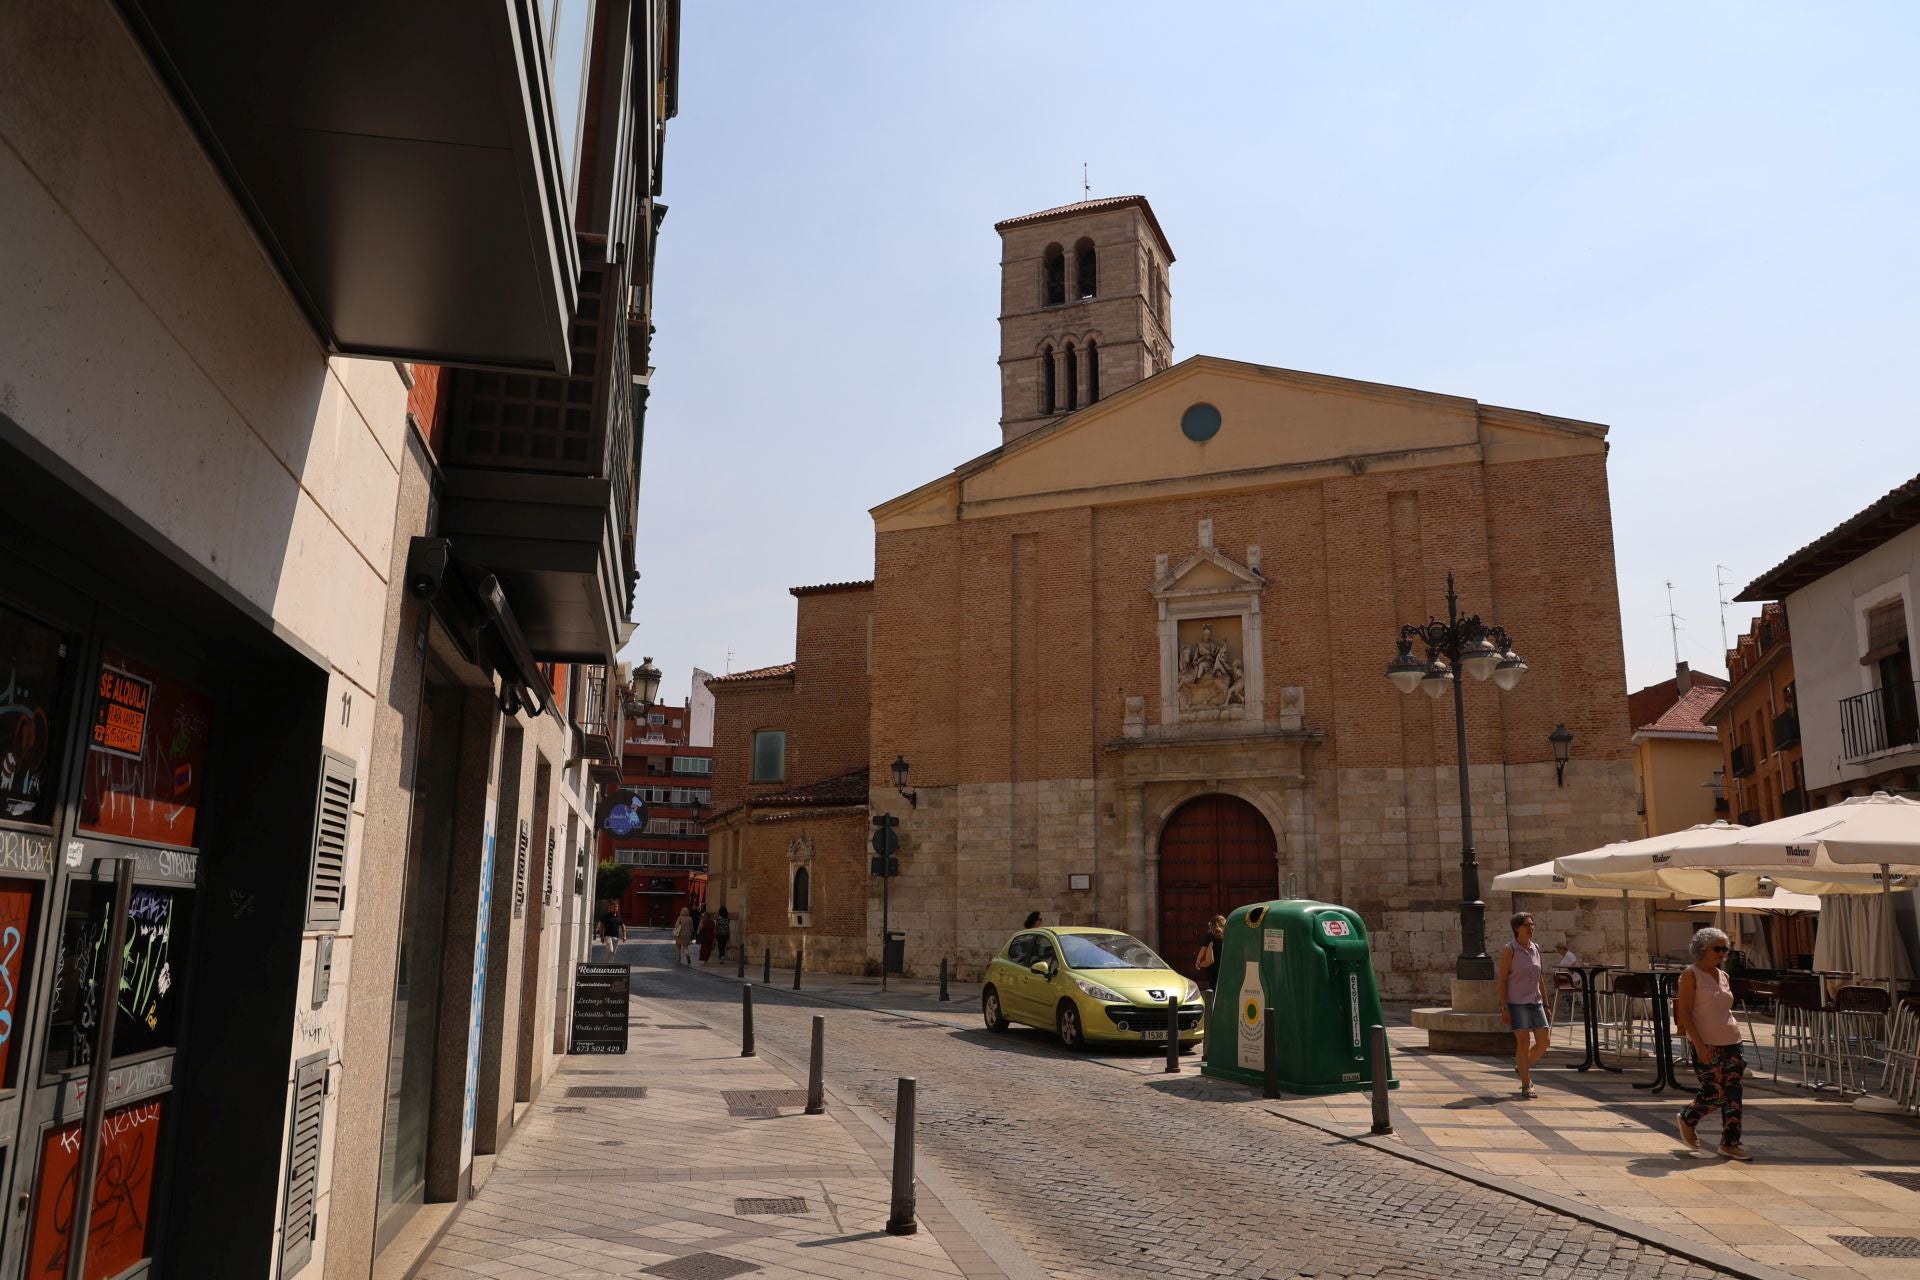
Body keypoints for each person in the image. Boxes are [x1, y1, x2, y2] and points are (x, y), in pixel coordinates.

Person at [1675, 926, 1751, 1160]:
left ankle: (1730, 1142)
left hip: (1732, 1041)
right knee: (1716, 1092)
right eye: (1717, 948)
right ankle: (1689, 1117)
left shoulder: (1723, 975)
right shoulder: (1690, 975)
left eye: (1725, 949)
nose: (1722, 953)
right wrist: (1698, 1045)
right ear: (1702, 949)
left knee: (1734, 1094)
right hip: (1706, 1042)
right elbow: (1685, 1013)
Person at [1497, 911, 1551, 1099]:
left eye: (1532, 924)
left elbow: (1539, 978)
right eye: (1527, 925)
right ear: (1516, 928)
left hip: (1535, 1001)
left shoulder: (1535, 948)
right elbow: (1502, 980)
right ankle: (1526, 1084)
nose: (1531, 928)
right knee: (1524, 1041)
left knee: (1544, 1042)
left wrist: (1546, 1003)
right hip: (1517, 1002)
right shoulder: (1509, 950)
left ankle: (1522, 1067)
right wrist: (1503, 1007)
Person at [1194, 915, 1226, 994]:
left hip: (1213, 968)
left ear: (1211, 925)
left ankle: (1215, 1005)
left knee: (1214, 989)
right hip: (1224, 966)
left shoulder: (1210, 935)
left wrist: (1198, 961)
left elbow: (1204, 950)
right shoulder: (1227, 934)